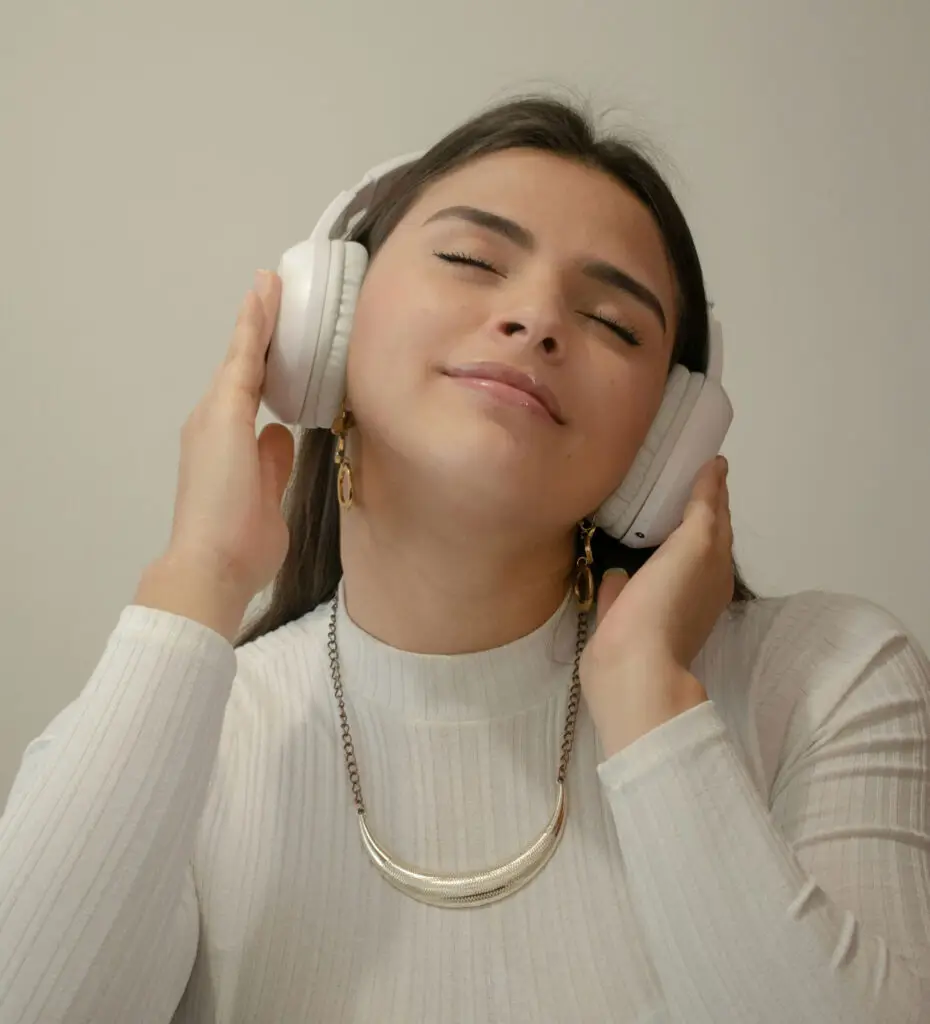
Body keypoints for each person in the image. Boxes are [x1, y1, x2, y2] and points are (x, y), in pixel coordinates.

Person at [1, 96, 928, 1024]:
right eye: (472, 261)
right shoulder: (195, 726)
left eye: (613, 321)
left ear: (666, 444)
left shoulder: (822, 679)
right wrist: (196, 581)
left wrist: (648, 702)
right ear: (330, 325)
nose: (536, 320)